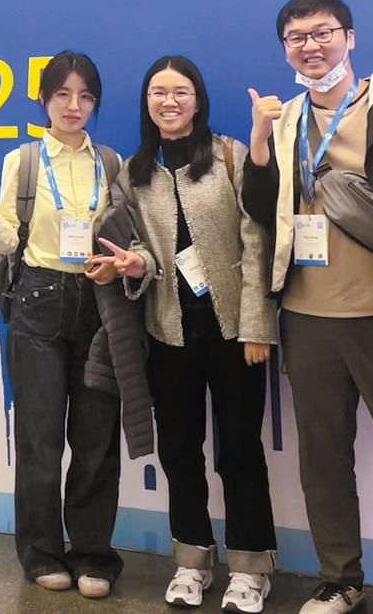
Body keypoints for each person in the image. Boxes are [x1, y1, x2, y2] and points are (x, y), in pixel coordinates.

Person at [241, 0, 373, 614]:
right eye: (296, 37)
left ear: (350, 38)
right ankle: (339, 578)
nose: (311, 46)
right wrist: (258, 143)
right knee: (323, 461)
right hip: (307, 318)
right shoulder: (283, 119)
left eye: (323, 32)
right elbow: (261, 212)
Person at [91, 55, 277, 613]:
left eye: (180, 91)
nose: (168, 101)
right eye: (157, 92)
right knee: (179, 451)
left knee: (239, 451)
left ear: (198, 100)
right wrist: (135, 264)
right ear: (146, 102)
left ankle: (250, 568)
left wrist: (257, 324)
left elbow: (257, 239)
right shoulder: (134, 172)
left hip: (233, 332)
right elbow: (141, 249)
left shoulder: (228, 156)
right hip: (167, 333)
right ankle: (192, 561)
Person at [0, 51, 122, 599]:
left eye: (86, 96)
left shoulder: (111, 163)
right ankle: (42, 554)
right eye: (63, 95)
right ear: (44, 100)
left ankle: (93, 555)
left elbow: (123, 233)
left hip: (98, 303)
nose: (74, 106)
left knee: (96, 438)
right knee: (39, 437)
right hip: (38, 302)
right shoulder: (22, 161)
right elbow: (8, 241)